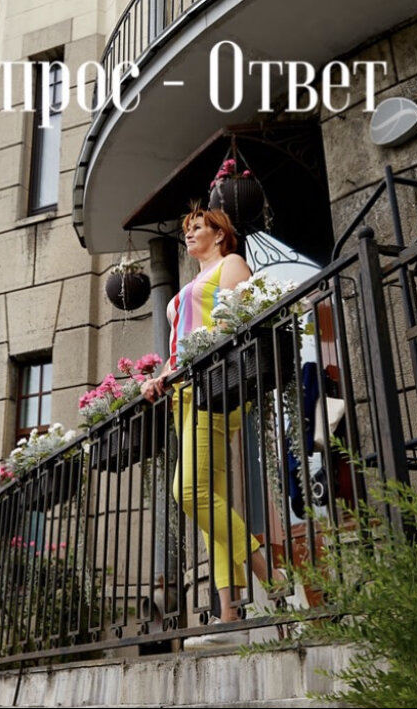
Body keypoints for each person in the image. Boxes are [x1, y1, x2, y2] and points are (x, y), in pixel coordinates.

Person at [140, 206, 287, 648]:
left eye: (198, 227)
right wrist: (158, 378)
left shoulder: (231, 264)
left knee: (189, 491)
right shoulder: (193, 282)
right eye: (187, 228)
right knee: (212, 502)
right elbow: (181, 345)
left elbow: (233, 324)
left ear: (220, 234)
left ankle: (273, 576)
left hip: (215, 388)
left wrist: (184, 368)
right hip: (184, 393)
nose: (189, 233)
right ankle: (229, 616)